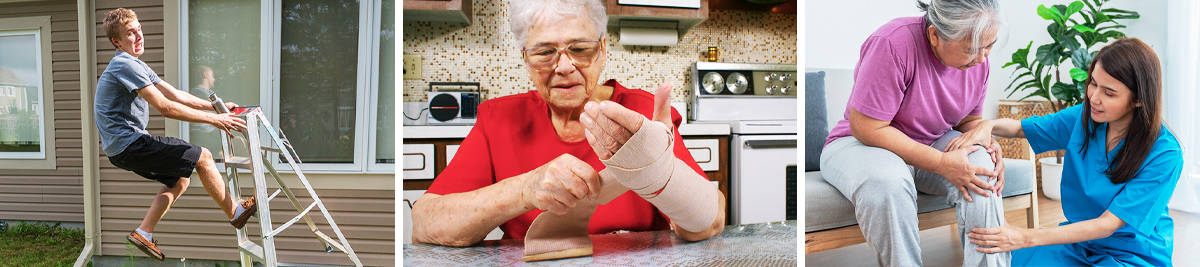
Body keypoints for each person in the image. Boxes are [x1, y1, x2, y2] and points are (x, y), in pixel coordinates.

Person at [410, 0, 725, 246]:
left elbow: (709, 222)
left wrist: (661, 175)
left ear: (602, 50)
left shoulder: (640, 114)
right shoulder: (499, 119)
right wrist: (525, 189)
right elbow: (426, 223)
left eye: (580, 49)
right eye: (545, 52)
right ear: (526, 59)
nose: (563, 66)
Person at [819, 0, 1009, 266]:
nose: (982, 58)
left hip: (931, 140)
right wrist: (941, 163)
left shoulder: (979, 62)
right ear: (934, 35)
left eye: (990, 45)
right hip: (860, 143)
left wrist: (984, 141)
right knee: (887, 181)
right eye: (972, 50)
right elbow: (866, 127)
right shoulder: (892, 43)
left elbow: (969, 120)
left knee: (982, 171)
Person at [968, 37, 1182, 266]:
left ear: (1138, 99)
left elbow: (1108, 225)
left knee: (1025, 247)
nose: (1094, 98)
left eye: (1109, 93)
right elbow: (1022, 128)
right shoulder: (1085, 117)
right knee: (1018, 260)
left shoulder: (1165, 153)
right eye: (1093, 83)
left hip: (1132, 253)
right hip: (1080, 242)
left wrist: (1026, 236)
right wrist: (987, 126)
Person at [95, 8, 257, 261]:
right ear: (116, 41)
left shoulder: (135, 64)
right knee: (202, 157)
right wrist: (215, 119)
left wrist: (215, 106)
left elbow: (174, 94)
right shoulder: (123, 65)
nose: (138, 36)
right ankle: (235, 213)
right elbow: (166, 107)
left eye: (139, 29)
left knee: (180, 180)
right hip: (130, 143)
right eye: (130, 33)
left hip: (122, 148)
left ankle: (143, 232)